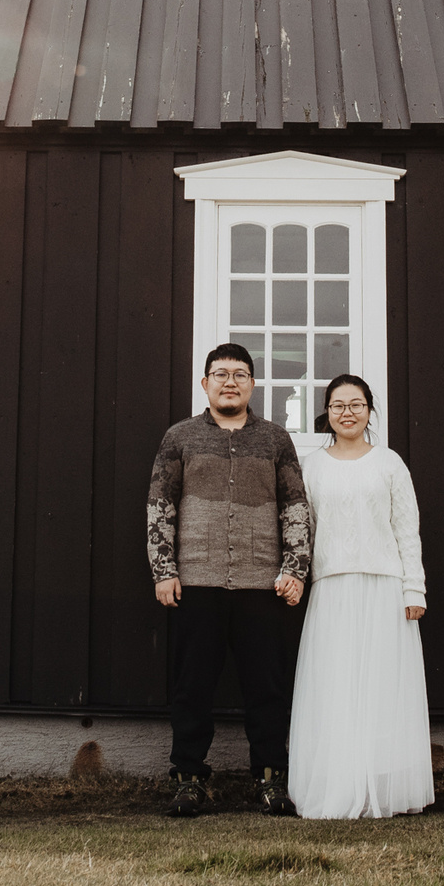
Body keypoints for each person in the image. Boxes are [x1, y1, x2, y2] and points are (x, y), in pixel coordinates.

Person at [146, 342, 313, 818]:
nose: (230, 381)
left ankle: (270, 779)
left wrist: (295, 569)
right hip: (195, 581)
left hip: (264, 584)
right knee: (191, 688)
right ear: (205, 384)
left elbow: (295, 507)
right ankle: (189, 780)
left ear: (252, 384)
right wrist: (164, 570)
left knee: (267, 689)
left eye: (240, 374)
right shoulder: (179, 437)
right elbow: (161, 506)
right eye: (220, 374)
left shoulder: (276, 440)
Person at [287, 372, 432, 819]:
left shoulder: (390, 463)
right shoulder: (311, 467)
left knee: (380, 688)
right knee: (335, 685)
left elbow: (407, 529)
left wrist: (415, 587)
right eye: (337, 405)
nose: (346, 412)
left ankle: (380, 788)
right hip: (332, 587)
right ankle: (337, 784)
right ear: (326, 413)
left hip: (385, 589)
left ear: (369, 411)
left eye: (356, 404)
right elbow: (302, 531)